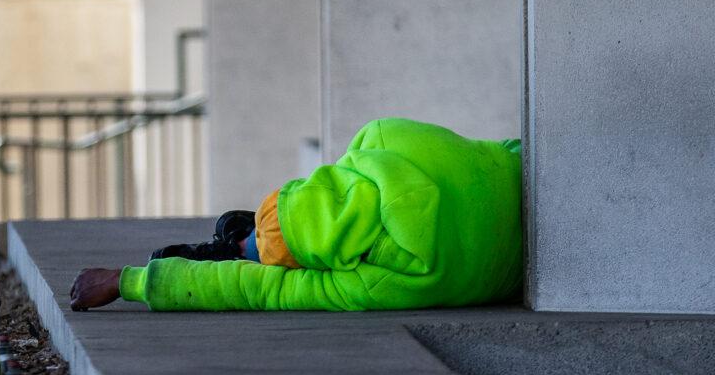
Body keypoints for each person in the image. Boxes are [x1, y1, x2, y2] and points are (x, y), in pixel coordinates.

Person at [70, 118, 523, 312]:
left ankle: (246, 246)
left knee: (265, 260)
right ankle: (250, 238)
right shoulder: (384, 136)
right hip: (528, 189)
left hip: (507, 271)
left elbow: (262, 291)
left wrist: (131, 282)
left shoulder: (384, 279)